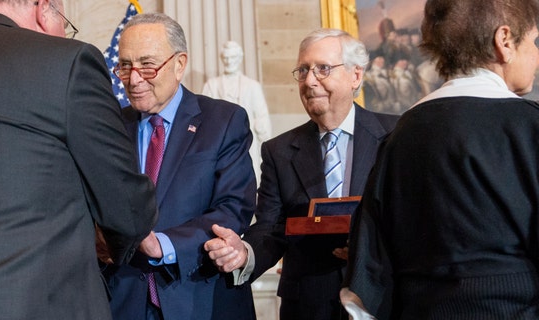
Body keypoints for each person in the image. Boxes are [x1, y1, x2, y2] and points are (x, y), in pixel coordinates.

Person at [0, 0, 159, 319]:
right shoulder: (69, 62)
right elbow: (128, 210)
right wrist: (110, 245)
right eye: (64, 22)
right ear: (42, 8)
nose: (64, 34)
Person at [341, 0, 539, 318]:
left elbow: (371, 272)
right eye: (533, 40)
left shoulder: (398, 137)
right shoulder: (530, 127)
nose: (537, 54)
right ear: (504, 41)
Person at [204, 28, 399, 320]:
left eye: (323, 69)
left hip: (382, 299)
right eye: (303, 70)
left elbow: (415, 217)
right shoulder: (278, 151)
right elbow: (270, 227)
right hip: (308, 304)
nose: (309, 81)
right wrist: (245, 253)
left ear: (355, 76)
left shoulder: (396, 136)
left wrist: (369, 250)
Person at [103, 13, 257, 320]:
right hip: (122, 302)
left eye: (147, 65)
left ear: (179, 63)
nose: (134, 79)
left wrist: (163, 244)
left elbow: (234, 207)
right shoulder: (108, 126)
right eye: (125, 66)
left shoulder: (223, 121)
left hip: (199, 297)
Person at [202, 41, 273, 183]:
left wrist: (264, 142)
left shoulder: (252, 86)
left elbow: (262, 116)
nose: (229, 61)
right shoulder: (212, 85)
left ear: (240, 59)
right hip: (219, 139)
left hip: (247, 138)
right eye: (226, 58)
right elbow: (203, 115)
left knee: (248, 177)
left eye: (233, 58)